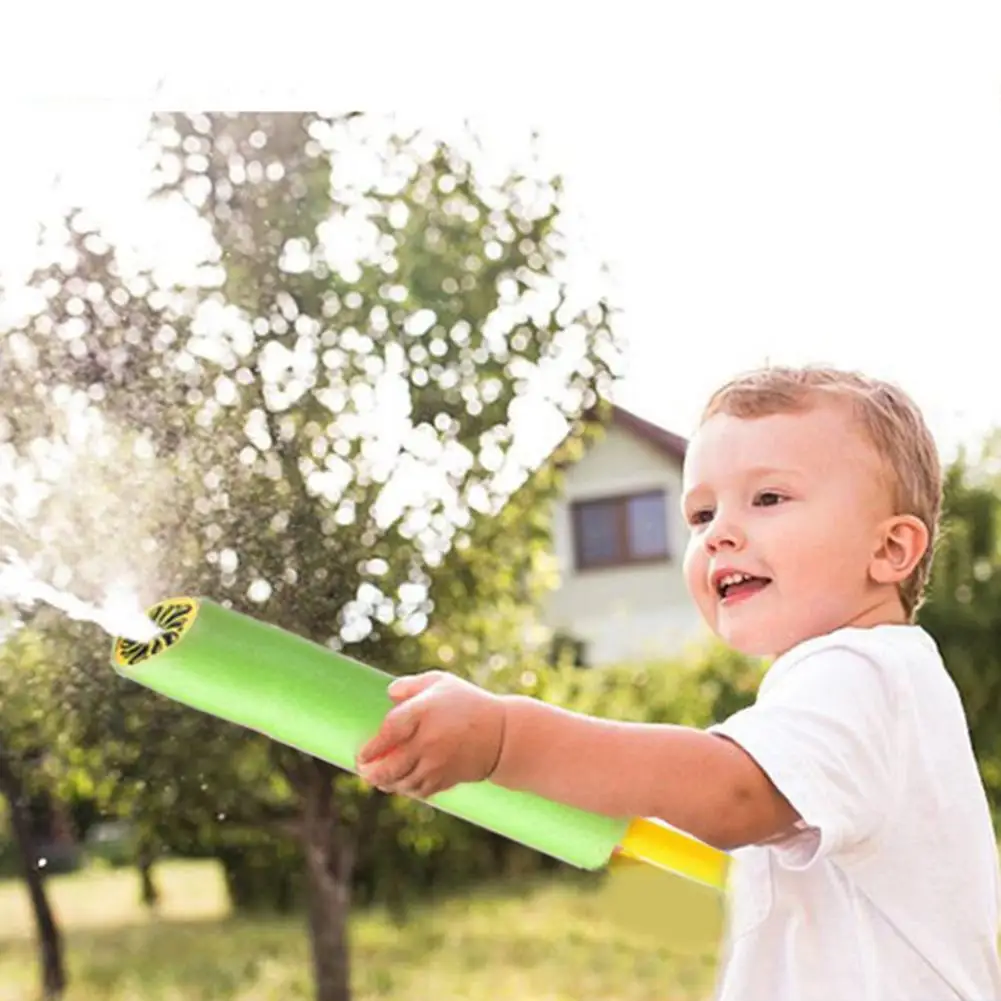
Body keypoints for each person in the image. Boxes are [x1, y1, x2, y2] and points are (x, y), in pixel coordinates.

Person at [356, 365, 1001, 1000]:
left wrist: (504, 738)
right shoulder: (872, 682)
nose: (719, 532)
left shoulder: (861, 672)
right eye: (700, 514)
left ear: (890, 550)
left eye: (768, 498)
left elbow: (731, 795)